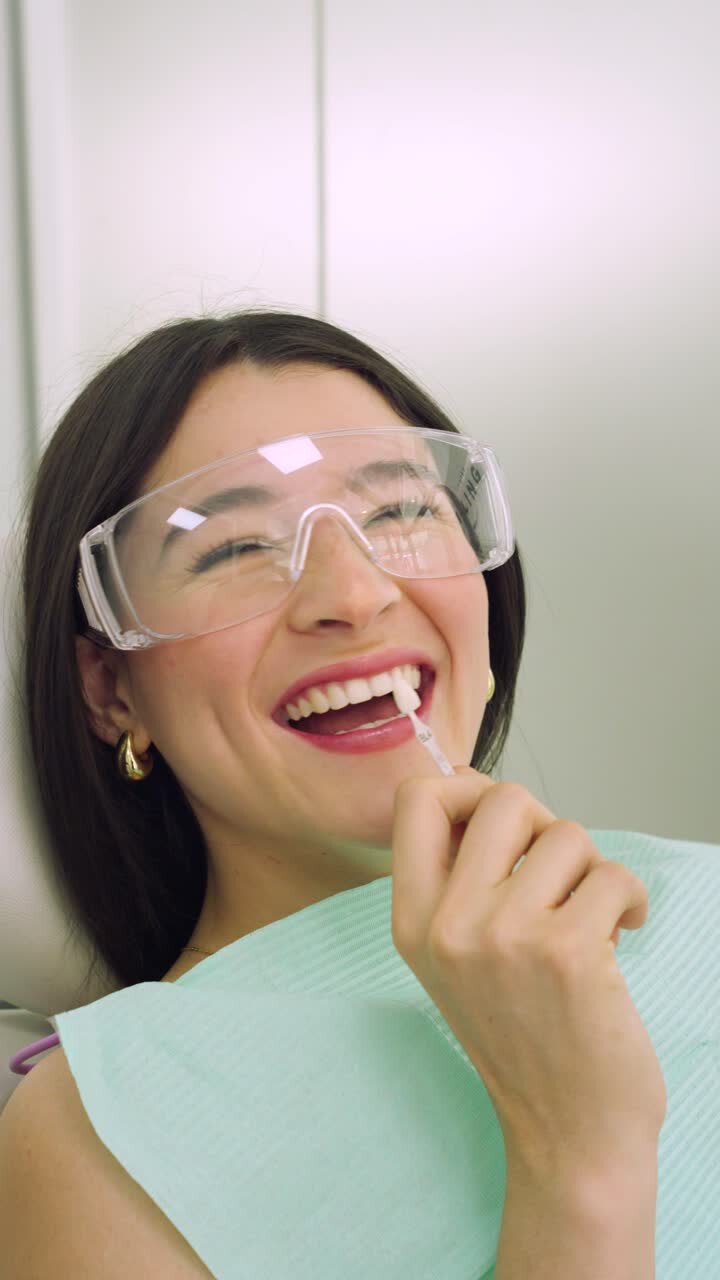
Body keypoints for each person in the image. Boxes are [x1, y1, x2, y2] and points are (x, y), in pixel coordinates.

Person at [8, 309, 715, 1279]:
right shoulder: (93, 1132)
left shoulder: (700, 901)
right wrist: (579, 1153)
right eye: (230, 549)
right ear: (111, 689)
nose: (355, 588)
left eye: (398, 513)